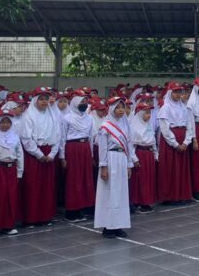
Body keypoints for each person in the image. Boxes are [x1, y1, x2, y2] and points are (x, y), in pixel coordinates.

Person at [94, 97, 137, 239]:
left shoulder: (125, 125)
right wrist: (103, 166)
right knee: (109, 192)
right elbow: (102, 148)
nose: (120, 110)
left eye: (122, 107)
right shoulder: (105, 126)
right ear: (111, 109)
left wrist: (129, 165)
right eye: (117, 107)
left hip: (122, 158)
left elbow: (129, 146)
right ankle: (108, 226)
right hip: (111, 159)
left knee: (121, 193)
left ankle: (118, 224)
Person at [20, 87, 60, 227]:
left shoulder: (52, 115)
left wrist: (52, 154)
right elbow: (26, 138)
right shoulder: (28, 116)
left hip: (49, 154)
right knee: (33, 186)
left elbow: (57, 135)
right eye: (41, 99)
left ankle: (45, 216)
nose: (44, 102)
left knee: (47, 187)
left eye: (46, 99)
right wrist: (39, 154)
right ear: (35, 100)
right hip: (34, 155)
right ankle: (30, 218)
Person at [60, 92, 96, 222]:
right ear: (75, 103)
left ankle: (83, 207)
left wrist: (91, 155)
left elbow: (91, 137)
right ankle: (71, 211)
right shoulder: (67, 118)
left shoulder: (89, 118)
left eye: (85, 102)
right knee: (73, 178)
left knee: (85, 177)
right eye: (81, 102)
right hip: (72, 149)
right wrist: (62, 156)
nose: (84, 104)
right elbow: (62, 138)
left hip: (85, 148)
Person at [156, 83, 193, 204]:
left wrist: (186, 142)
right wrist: (175, 144)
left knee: (181, 169)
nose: (178, 94)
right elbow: (165, 129)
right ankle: (169, 197)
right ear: (169, 93)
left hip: (183, 139)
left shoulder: (184, 107)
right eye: (175, 92)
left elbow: (189, 125)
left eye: (179, 92)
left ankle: (181, 195)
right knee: (170, 169)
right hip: (171, 142)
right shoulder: (165, 108)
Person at [0, 109, 23, 237]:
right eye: (2, 122)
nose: (5, 125)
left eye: (8, 122)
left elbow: (20, 155)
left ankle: (8, 225)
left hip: (11, 168)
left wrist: (19, 172)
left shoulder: (15, 137)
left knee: (10, 197)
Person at [129, 103, 156, 213]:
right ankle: (139, 202)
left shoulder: (149, 124)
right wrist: (134, 158)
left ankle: (147, 201)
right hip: (140, 153)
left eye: (149, 113)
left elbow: (153, 140)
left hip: (149, 153)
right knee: (141, 179)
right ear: (140, 113)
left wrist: (155, 154)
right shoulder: (134, 126)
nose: (149, 115)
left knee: (149, 178)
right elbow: (131, 145)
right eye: (146, 113)